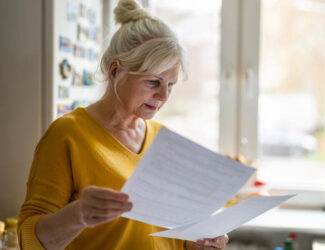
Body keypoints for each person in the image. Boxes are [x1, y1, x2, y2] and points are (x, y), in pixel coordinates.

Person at [18, 0, 229, 249]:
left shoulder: (163, 138)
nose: (164, 96)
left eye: (170, 85)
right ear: (115, 70)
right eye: (153, 82)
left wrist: (196, 244)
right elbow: (29, 239)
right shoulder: (68, 135)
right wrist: (78, 215)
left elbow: (166, 236)